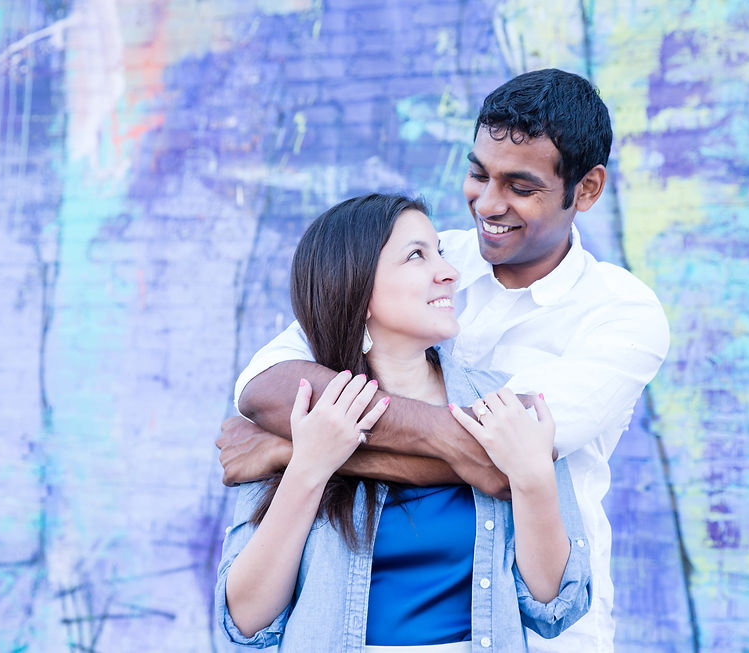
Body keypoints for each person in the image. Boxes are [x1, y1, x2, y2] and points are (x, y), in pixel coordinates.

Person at [219, 69, 670, 652]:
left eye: (521, 187)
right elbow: (265, 385)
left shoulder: (622, 314)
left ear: (585, 190)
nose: (487, 202)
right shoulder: (437, 255)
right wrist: (320, 453)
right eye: (478, 173)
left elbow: (507, 459)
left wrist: (295, 448)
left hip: (540, 632)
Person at [216, 193, 592, 651]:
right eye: (416, 255)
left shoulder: (501, 407)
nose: (449, 273)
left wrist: (533, 479)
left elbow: (554, 605)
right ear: (357, 288)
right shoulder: (301, 413)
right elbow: (246, 619)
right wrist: (307, 467)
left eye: (440, 252)